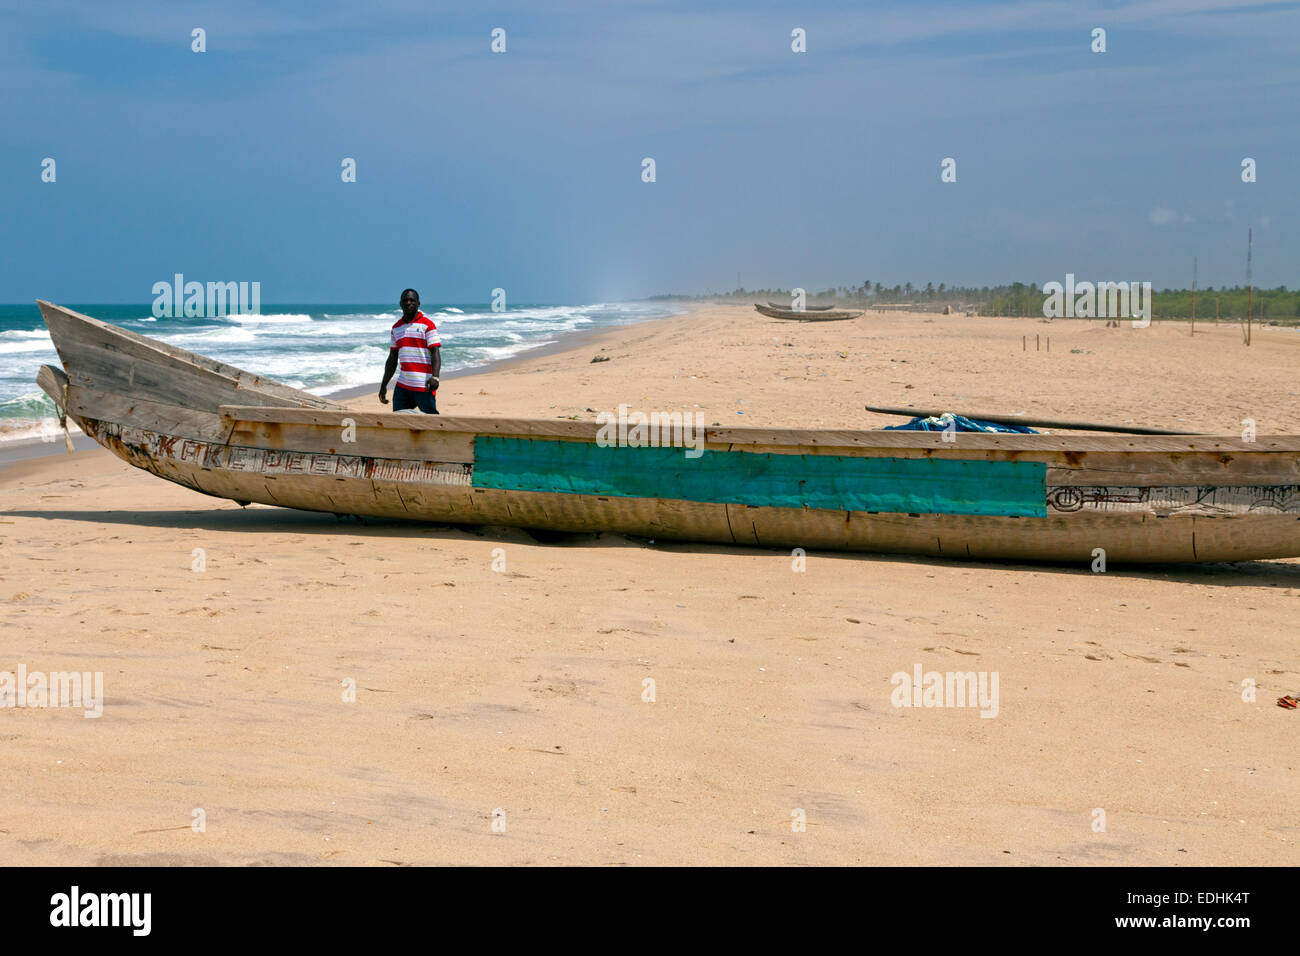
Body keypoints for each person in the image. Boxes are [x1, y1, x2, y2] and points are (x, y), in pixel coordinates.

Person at [379, 288, 441, 413]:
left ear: (418, 303)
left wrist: (435, 377)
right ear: (400, 303)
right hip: (403, 386)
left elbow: (435, 352)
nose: (408, 303)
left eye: (412, 300)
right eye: (405, 300)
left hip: (424, 386)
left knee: (430, 423)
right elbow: (392, 359)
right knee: (399, 422)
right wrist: (383, 385)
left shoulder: (427, 325)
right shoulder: (396, 328)